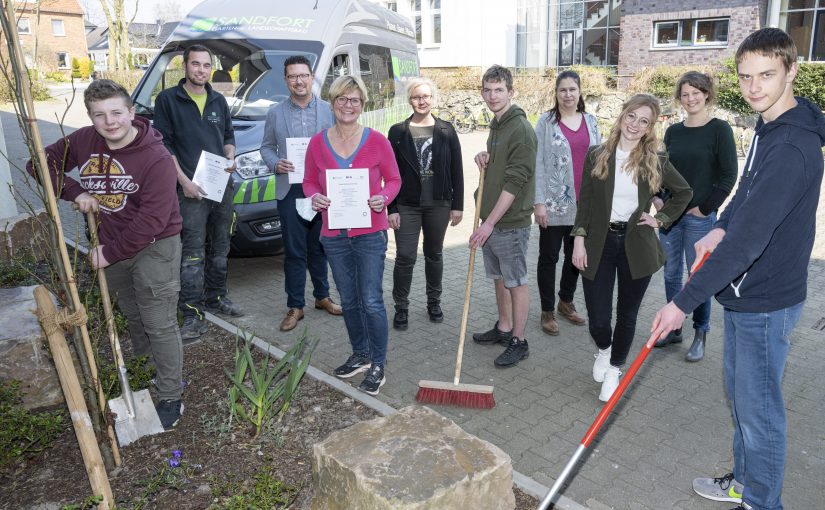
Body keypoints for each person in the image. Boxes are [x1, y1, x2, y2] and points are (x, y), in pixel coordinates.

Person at [652, 28, 825, 510]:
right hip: (749, 294)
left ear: (791, 70)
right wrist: (720, 225)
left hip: (766, 297)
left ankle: (763, 502)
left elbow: (749, 243)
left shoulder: (791, 148)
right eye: (746, 77)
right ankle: (746, 484)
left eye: (766, 75)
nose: (754, 87)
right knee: (742, 400)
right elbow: (744, 195)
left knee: (760, 412)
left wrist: (681, 304)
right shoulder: (769, 128)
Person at [28, 80, 185, 429]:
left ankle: (172, 395)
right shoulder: (85, 140)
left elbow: (153, 219)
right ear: (91, 117)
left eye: (116, 112)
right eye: (100, 115)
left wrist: (108, 253)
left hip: (154, 246)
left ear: (132, 112)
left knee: (158, 322)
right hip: (110, 245)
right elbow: (37, 163)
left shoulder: (155, 157)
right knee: (133, 312)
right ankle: (147, 372)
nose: (110, 122)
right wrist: (74, 190)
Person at [571, 94, 691, 402]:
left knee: (627, 313)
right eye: (632, 116)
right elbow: (584, 203)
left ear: (650, 128)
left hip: (635, 243)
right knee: (598, 317)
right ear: (623, 114)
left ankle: (614, 368)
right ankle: (604, 347)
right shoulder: (597, 154)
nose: (635, 125)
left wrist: (660, 219)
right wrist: (579, 240)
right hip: (598, 242)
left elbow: (683, 192)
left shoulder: (654, 159)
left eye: (644, 121)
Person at [303, 75, 401, 396]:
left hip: (370, 233)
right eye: (343, 99)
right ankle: (360, 353)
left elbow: (394, 180)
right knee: (349, 299)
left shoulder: (377, 141)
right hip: (334, 234)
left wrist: (383, 199)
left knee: (371, 299)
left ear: (363, 105)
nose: (348, 105)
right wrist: (315, 197)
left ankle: (378, 363)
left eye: (355, 100)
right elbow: (309, 182)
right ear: (332, 103)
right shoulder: (318, 143)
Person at [153, 44, 243, 342]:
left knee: (221, 247)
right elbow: (163, 146)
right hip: (190, 190)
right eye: (196, 64)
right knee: (192, 253)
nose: (201, 70)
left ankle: (216, 298)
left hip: (221, 186)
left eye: (206, 65)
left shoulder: (218, 101)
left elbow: (228, 138)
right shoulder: (168, 100)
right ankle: (192, 313)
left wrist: (231, 156)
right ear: (186, 66)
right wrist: (183, 182)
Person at [652, 71, 738, 362]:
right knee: (671, 273)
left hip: (700, 218)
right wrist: (658, 200)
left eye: (696, 93)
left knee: (697, 275)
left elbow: (728, 176)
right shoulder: (673, 131)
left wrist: (704, 208)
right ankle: (673, 327)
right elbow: (663, 172)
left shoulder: (719, 130)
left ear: (706, 94)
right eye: (685, 94)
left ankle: (700, 331)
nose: (690, 99)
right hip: (669, 217)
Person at [260, 55, 342, 332]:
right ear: (286, 81)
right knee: (294, 250)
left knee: (319, 247)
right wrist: (275, 163)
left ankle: (322, 296)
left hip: (321, 190)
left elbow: (340, 144)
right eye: (293, 76)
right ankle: (296, 305)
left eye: (303, 75)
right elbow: (267, 147)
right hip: (291, 188)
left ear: (312, 78)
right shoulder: (275, 113)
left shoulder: (329, 111)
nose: (299, 81)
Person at [470, 65, 537, 369]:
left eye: (499, 90)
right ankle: (504, 327)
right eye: (487, 89)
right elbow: (499, 169)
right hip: (493, 220)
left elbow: (515, 182)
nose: (492, 95)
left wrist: (489, 223)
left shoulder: (520, 129)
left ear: (511, 92)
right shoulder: (497, 125)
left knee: (516, 282)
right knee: (499, 279)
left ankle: (519, 341)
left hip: (508, 224)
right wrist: (485, 158)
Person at [387, 78, 464, 330]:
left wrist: (458, 205)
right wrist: (392, 208)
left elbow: (457, 170)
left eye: (426, 96)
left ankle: (434, 302)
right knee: (405, 257)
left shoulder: (446, 130)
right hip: (407, 204)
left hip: (439, 204)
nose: (422, 101)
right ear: (410, 100)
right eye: (416, 97)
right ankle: (401, 306)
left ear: (433, 98)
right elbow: (390, 173)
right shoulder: (397, 132)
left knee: (434, 254)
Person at [533, 70, 601, 336]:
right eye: (563, 90)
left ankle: (565, 301)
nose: (568, 94)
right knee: (548, 258)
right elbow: (537, 163)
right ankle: (547, 310)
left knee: (576, 259)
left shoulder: (591, 121)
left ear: (580, 91)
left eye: (573, 89)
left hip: (584, 206)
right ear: (556, 93)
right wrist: (538, 203)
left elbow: (601, 160)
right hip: (553, 204)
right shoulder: (546, 123)